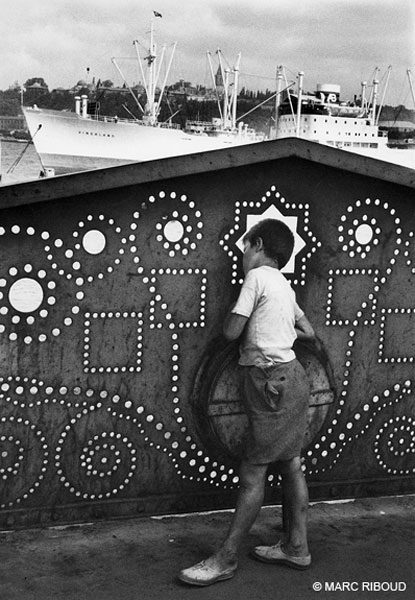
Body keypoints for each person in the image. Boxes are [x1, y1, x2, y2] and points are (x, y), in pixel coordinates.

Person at [178, 218, 315, 587]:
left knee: (253, 473)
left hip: (271, 384)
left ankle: (224, 558)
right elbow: (309, 332)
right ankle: (296, 547)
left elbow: (231, 331)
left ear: (257, 245)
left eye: (245, 247)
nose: (242, 254)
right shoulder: (284, 285)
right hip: (292, 377)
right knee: (291, 464)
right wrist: (278, 330)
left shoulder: (256, 279)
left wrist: (244, 319)